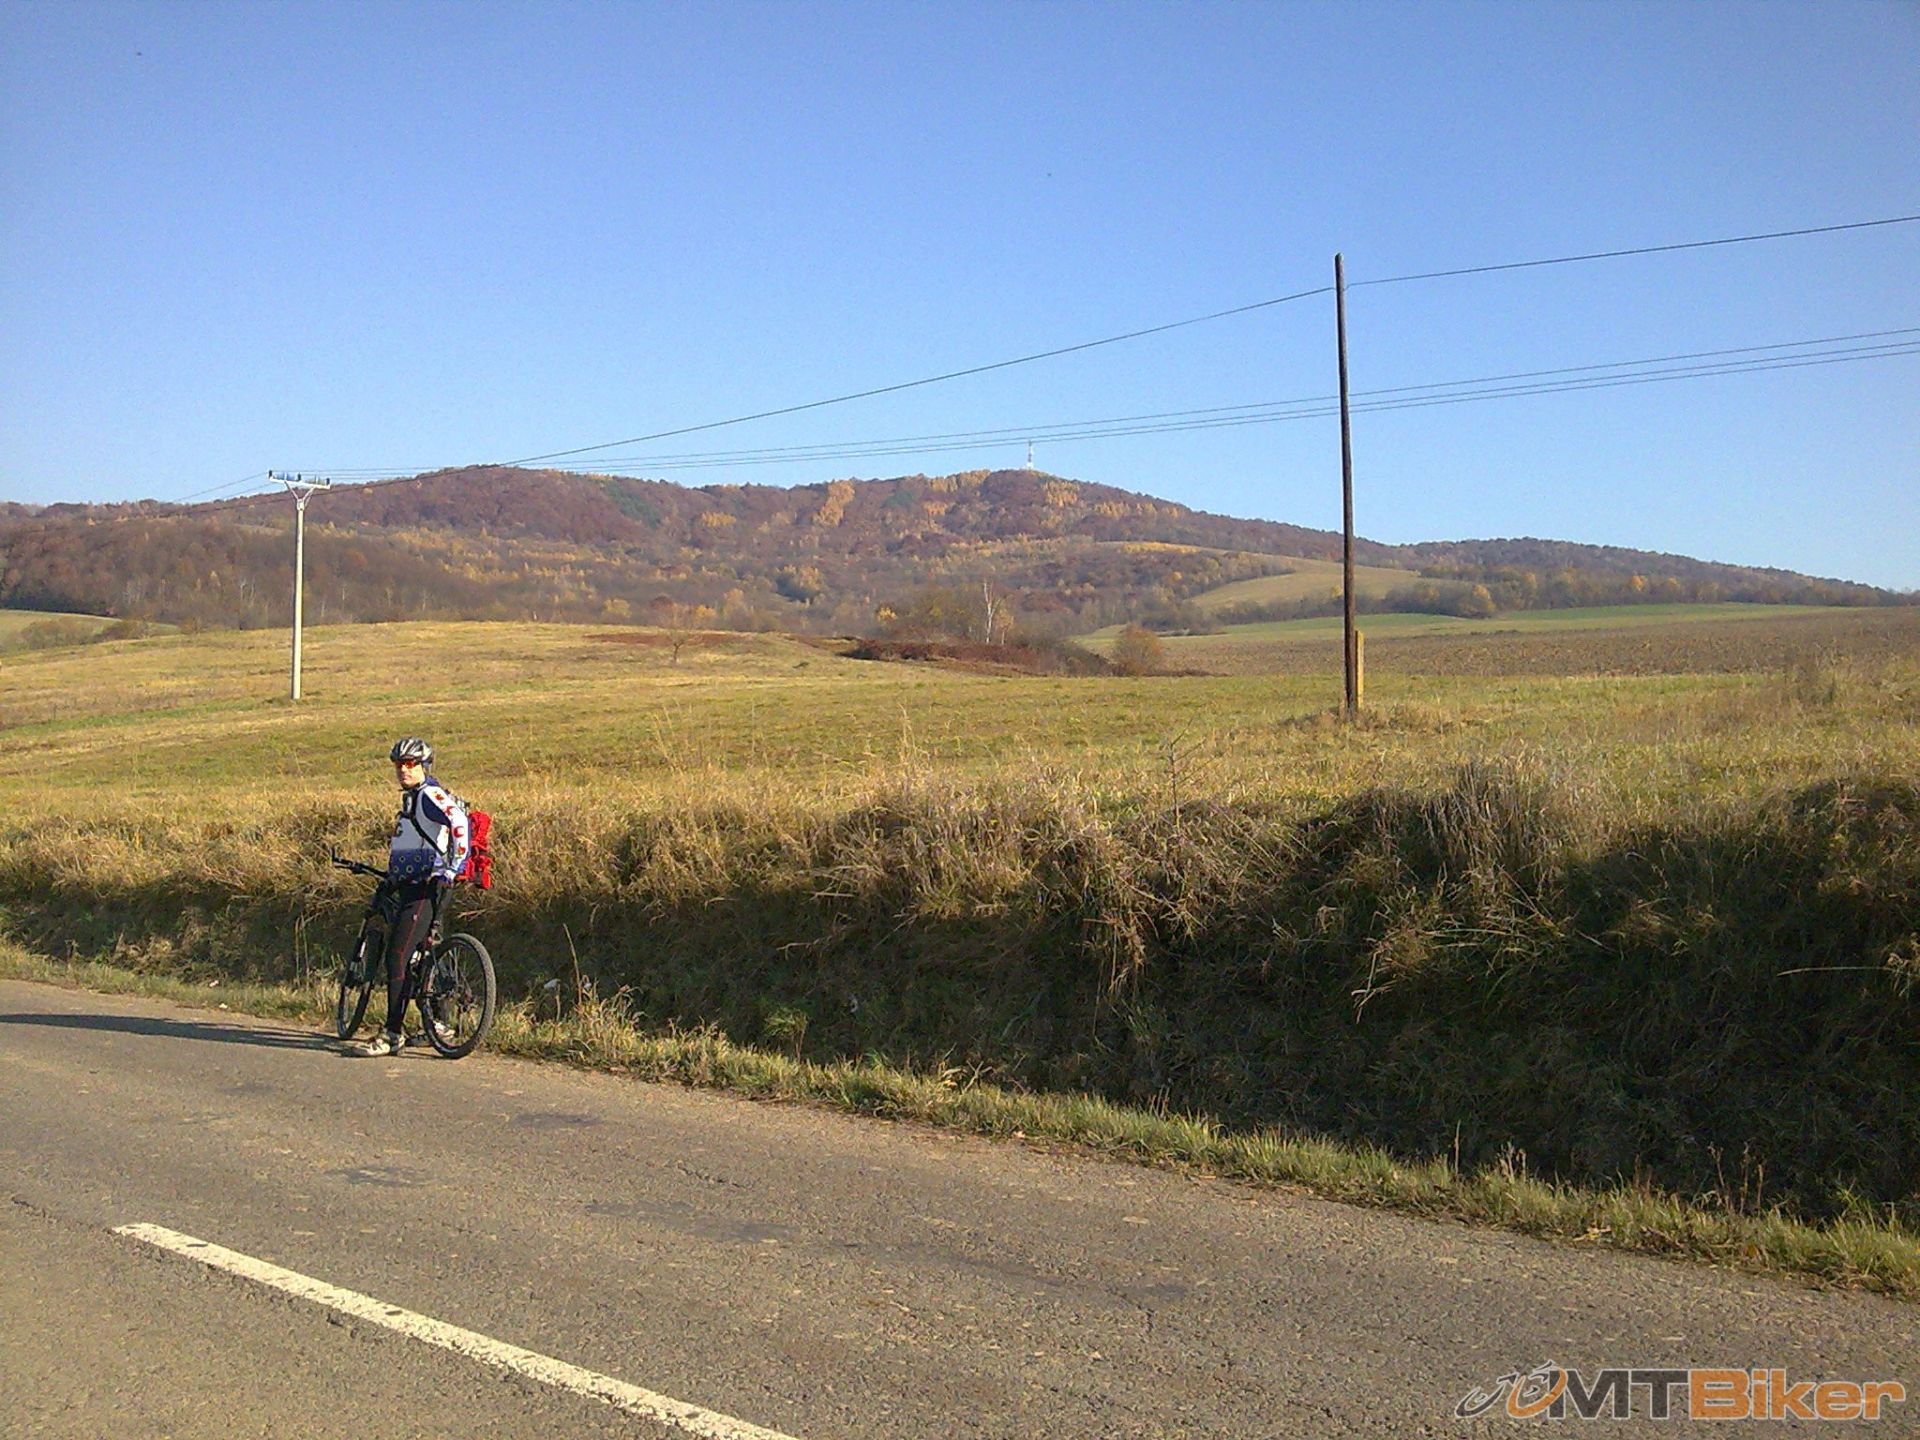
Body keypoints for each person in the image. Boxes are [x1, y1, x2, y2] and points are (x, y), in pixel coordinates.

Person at [355, 737, 470, 1057]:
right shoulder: (414, 797)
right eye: (398, 764)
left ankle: (392, 1033)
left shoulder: (429, 794)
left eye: (410, 764)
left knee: (397, 956)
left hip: (425, 887)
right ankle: (439, 1023)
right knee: (419, 956)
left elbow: (459, 823)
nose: (403, 770)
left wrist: (453, 867)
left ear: (424, 766)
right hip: (410, 884)